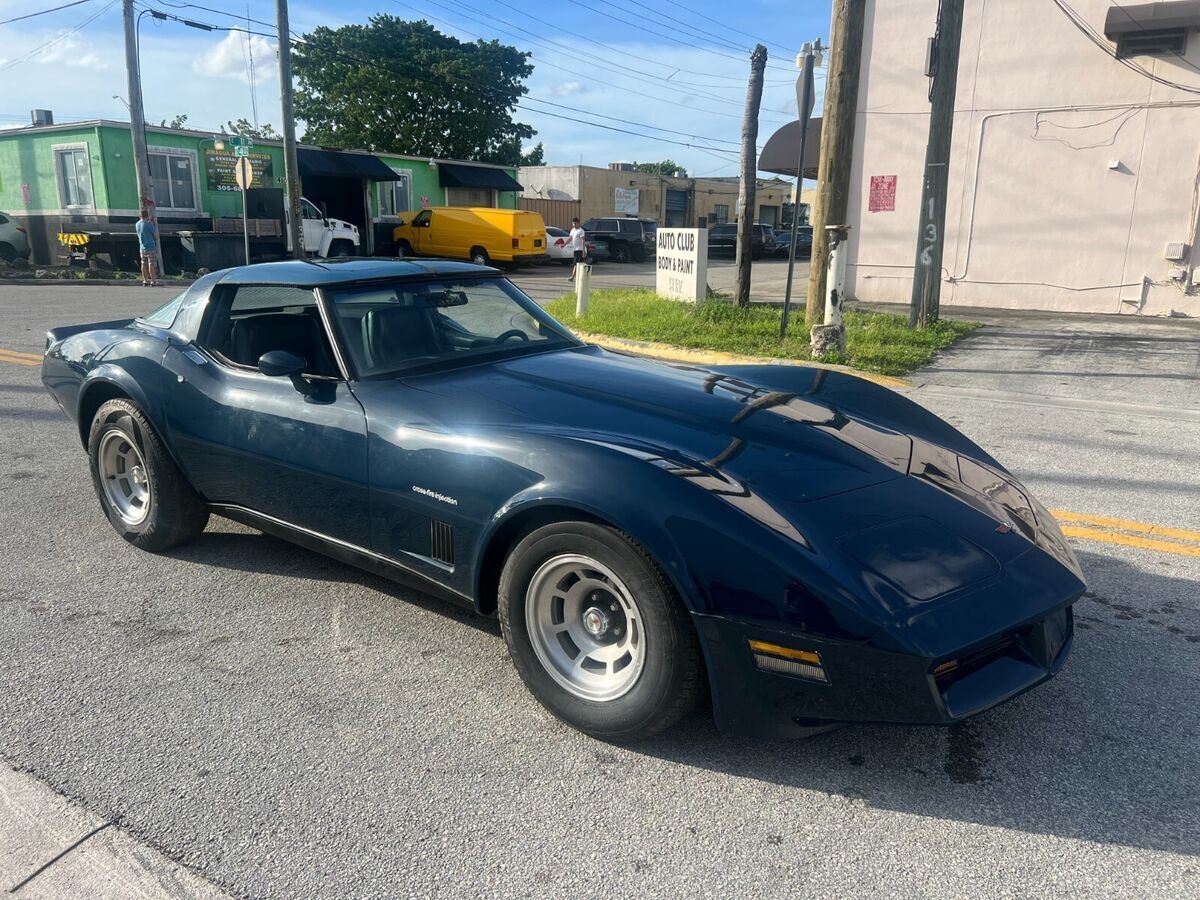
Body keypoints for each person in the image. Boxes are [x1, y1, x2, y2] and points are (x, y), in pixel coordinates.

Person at [135, 209, 159, 287]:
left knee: (143, 263)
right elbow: (156, 236)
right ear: (147, 216)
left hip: (142, 247)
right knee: (151, 263)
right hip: (150, 246)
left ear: (140, 216)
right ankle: (153, 281)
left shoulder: (137, 224)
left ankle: (145, 280)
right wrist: (153, 224)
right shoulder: (149, 224)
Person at [566, 217, 585, 282]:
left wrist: (584, 250)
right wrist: (564, 244)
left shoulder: (581, 231)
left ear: (578, 223)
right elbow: (570, 238)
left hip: (579, 249)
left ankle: (572, 277)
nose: (574, 225)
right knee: (579, 264)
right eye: (573, 223)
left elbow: (583, 241)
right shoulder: (572, 230)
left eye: (575, 223)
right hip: (575, 249)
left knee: (576, 264)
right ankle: (581, 277)